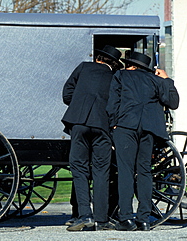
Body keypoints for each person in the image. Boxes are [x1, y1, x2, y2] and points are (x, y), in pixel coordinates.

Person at [106, 52, 179, 231]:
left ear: (131, 66)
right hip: (149, 127)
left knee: (126, 171)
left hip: (126, 125)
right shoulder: (156, 80)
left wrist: (113, 124)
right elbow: (173, 102)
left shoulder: (121, 75)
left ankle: (126, 218)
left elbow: (112, 103)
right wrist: (167, 80)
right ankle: (144, 219)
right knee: (144, 171)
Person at [61, 45, 123, 231]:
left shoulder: (83, 67)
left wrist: (80, 104)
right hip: (102, 125)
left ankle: (84, 214)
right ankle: (102, 219)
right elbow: (117, 103)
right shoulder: (115, 77)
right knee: (101, 171)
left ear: (98, 58)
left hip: (79, 122)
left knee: (79, 168)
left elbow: (67, 94)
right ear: (113, 63)